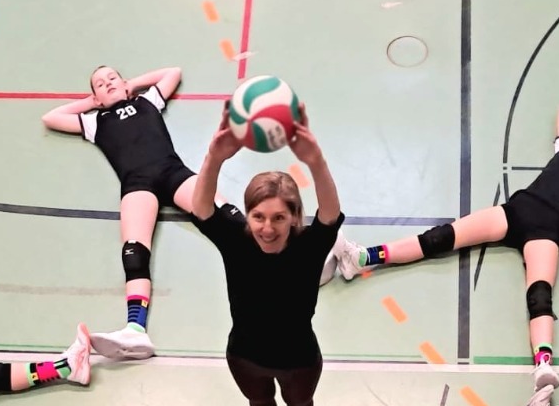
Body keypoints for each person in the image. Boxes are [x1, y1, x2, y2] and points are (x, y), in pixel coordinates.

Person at [333, 101, 559, 390]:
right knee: (441, 237)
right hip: (516, 212)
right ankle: (362, 258)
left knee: (540, 295)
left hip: (548, 232)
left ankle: (543, 363)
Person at [43, 65, 347, 360]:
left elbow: (171, 73)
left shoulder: (147, 101)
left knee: (229, 218)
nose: (108, 83)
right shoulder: (96, 121)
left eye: (113, 78)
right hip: (137, 185)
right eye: (100, 84)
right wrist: (93, 103)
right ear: (95, 98)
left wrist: (130, 86)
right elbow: (52, 117)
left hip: (173, 173)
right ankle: (135, 329)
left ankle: (301, 262)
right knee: (134, 252)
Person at [188, 108, 345, 406]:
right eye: (258, 216)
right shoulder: (235, 241)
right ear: (248, 216)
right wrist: (214, 156)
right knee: (260, 404)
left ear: (294, 217)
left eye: (278, 218)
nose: (267, 228)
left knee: (299, 405)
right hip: (245, 355)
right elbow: (202, 210)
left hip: (300, 358)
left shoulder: (309, 247)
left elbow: (330, 213)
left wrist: (316, 161)